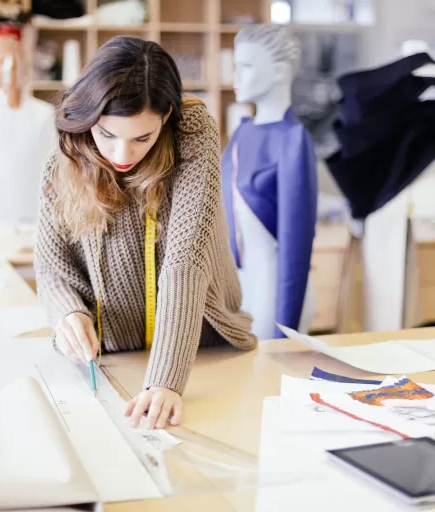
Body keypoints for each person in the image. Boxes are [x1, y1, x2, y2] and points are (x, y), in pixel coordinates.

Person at [34, 36, 256, 430]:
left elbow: (185, 259)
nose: (122, 155)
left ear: (166, 116)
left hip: (201, 351)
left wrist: (167, 380)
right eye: (107, 135)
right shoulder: (64, 160)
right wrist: (67, 312)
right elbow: (53, 266)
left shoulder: (191, 133)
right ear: (87, 121)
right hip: (113, 356)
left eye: (142, 138)